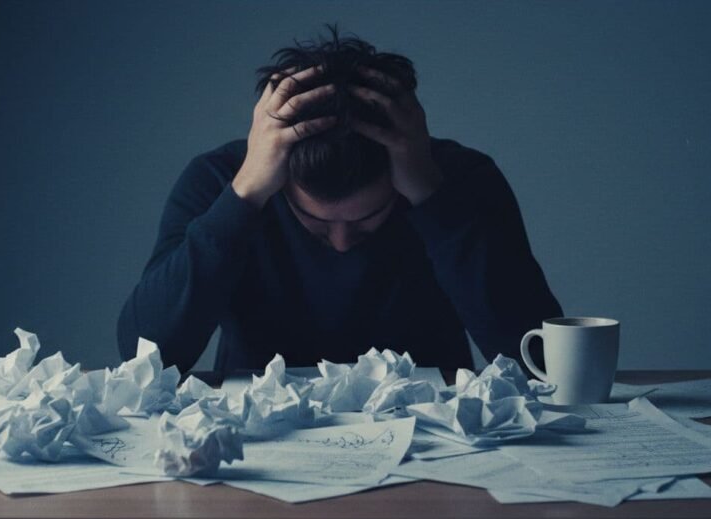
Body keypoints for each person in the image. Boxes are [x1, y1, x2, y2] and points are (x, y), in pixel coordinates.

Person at [117, 26, 562, 373]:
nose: (344, 242)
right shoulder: (219, 181)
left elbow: (538, 360)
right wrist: (243, 196)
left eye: (369, 220)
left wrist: (431, 196)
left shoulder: (462, 178)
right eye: (315, 224)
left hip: (432, 438)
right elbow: (145, 356)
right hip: (256, 442)